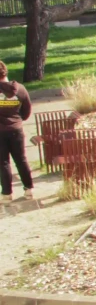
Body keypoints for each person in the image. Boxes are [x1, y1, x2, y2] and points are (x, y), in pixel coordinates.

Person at [0, 60, 33, 202]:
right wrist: (18, 120)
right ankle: (29, 189)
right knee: (21, 159)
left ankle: (7, 194)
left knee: (3, 162)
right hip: (17, 130)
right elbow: (26, 110)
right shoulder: (20, 89)